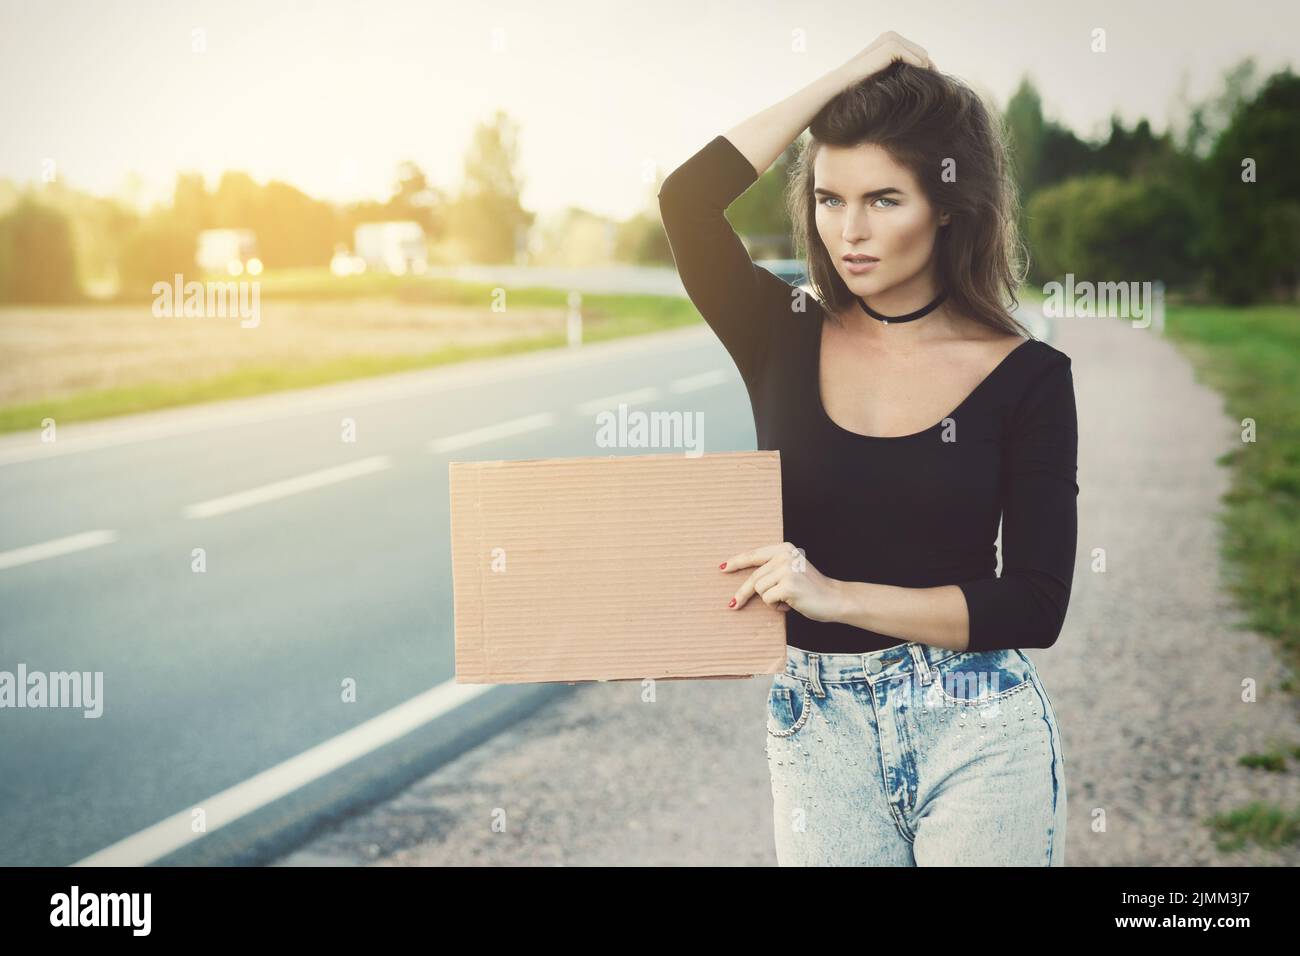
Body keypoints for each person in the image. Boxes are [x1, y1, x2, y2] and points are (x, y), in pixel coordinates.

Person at [657, 32, 1076, 866]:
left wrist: (838, 596)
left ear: (949, 205)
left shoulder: (1028, 376)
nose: (850, 231)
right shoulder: (778, 332)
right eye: (827, 198)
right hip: (816, 728)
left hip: (976, 721)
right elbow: (687, 200)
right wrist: (849, 77)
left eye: (884, 199)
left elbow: (1034, 604)